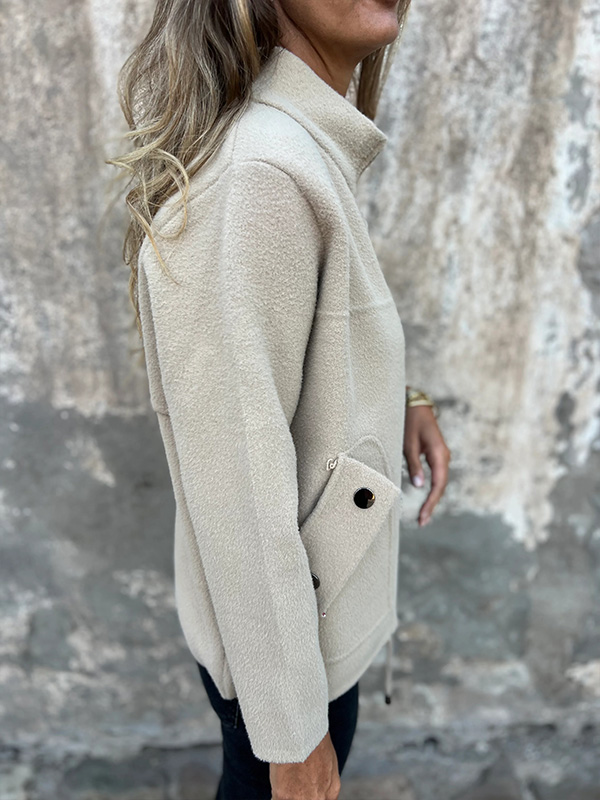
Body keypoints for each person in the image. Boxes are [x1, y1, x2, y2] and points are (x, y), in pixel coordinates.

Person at [109, 1, 451, 798]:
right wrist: (294, 736)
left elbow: (303, 348)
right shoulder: (260, 176)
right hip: (291, 664)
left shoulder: (298, 147)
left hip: (308, 631)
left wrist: (399, 395)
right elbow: (236, 481)